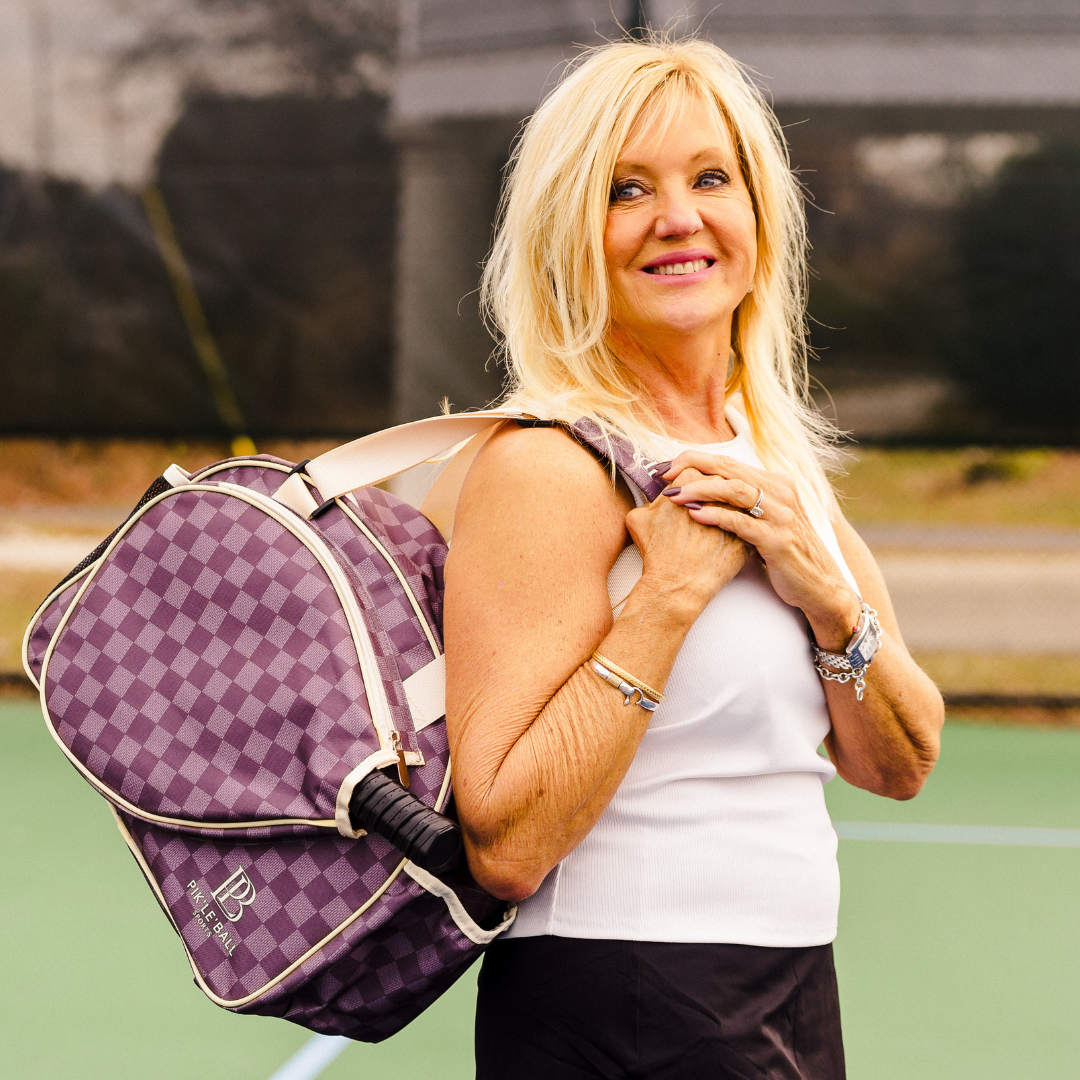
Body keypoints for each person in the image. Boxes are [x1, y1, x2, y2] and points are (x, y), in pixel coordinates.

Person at [442, 35, 944, 1080]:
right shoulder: (547, 463)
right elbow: (509, 843)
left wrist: (831, 604)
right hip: (616, 997)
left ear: (759, 213)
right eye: (627, 190)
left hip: (793, 983)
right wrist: (666, 597)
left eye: (710, 178)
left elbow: (900, 759)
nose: (679, 218)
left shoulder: (776, 463)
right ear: (569, 234)